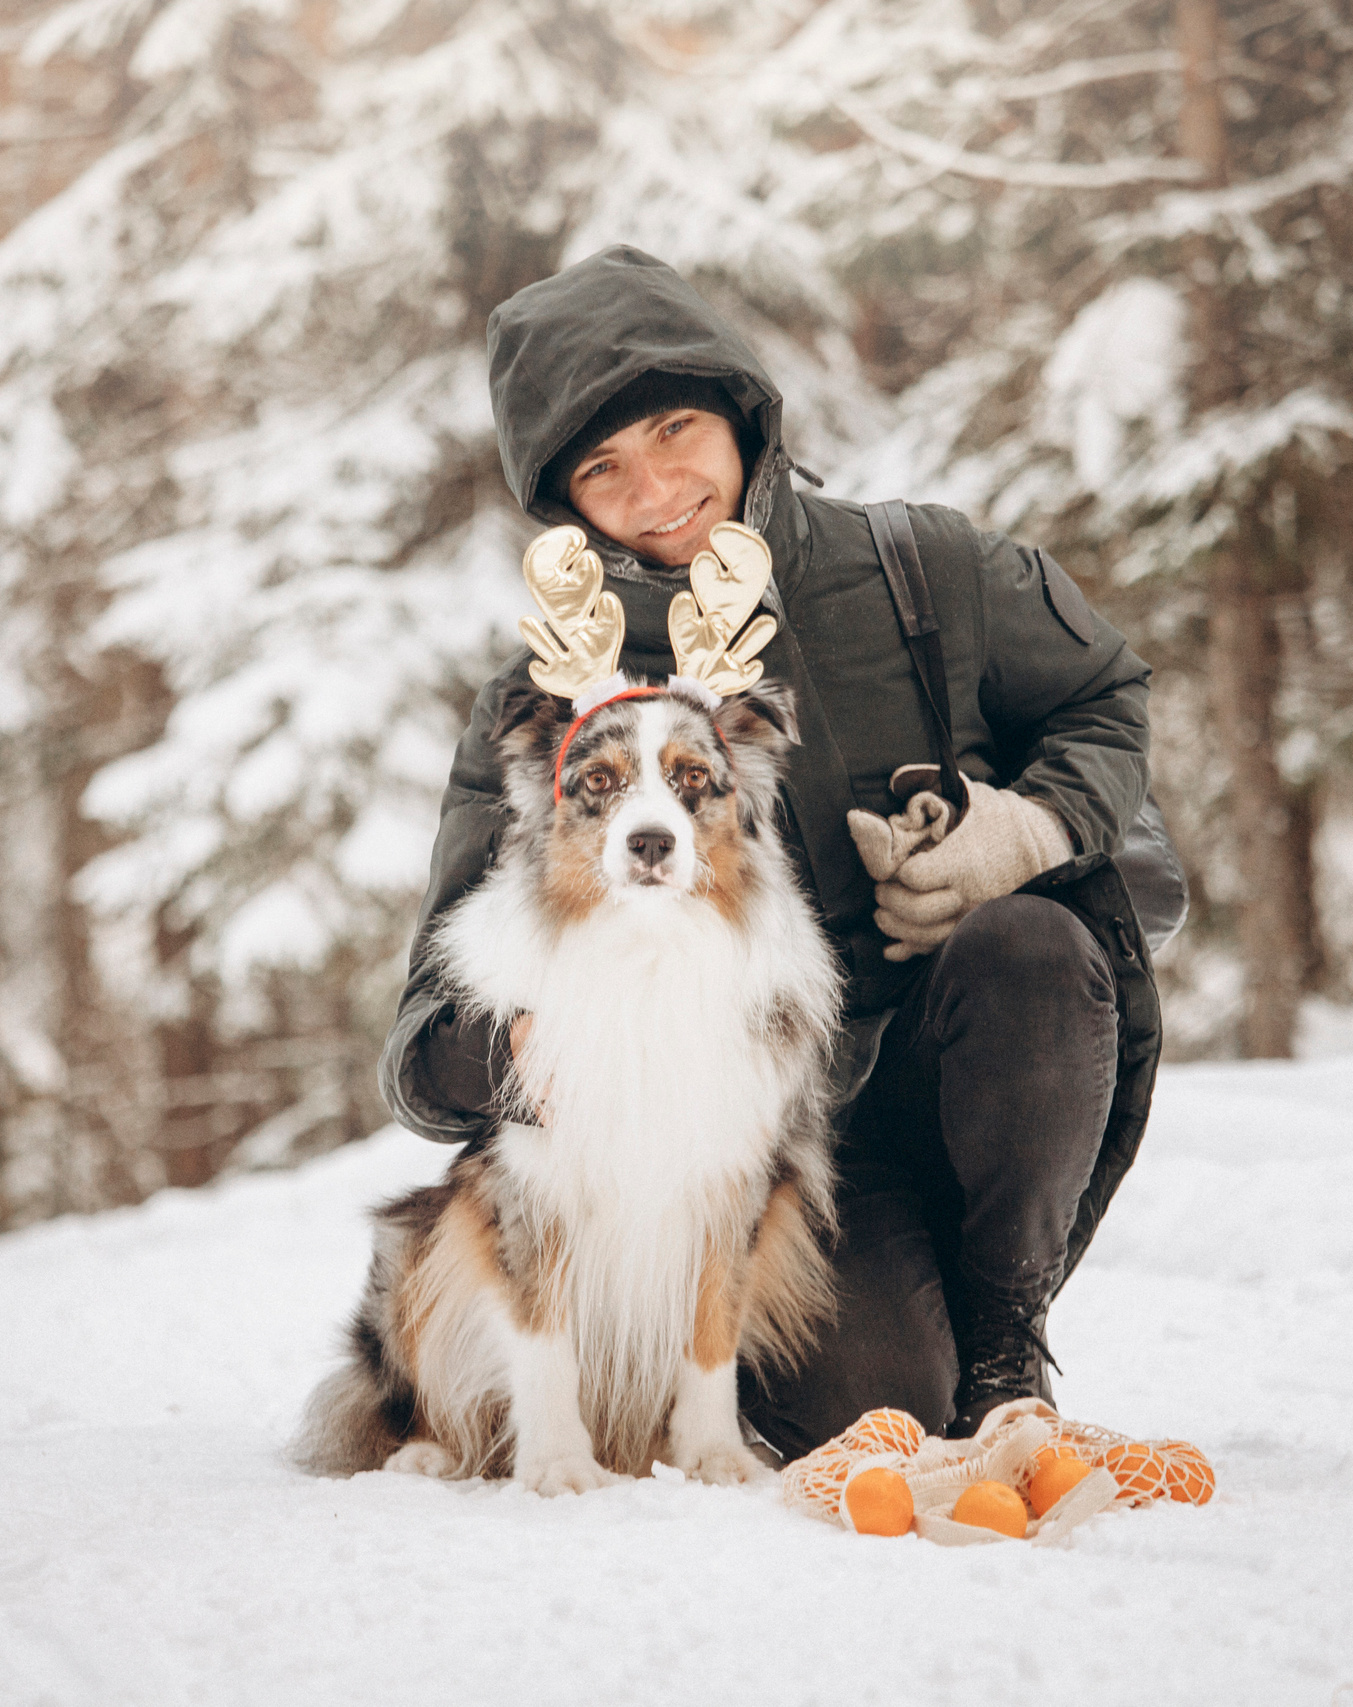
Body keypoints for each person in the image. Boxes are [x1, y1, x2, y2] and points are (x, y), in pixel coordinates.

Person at [381, 245, 1164, 1460]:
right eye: (602, 467)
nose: (655, 490)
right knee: (878, 1412)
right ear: (565, 503)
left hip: (944, 1072)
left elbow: (1104, 694)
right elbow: (422, 1045)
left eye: (676, 430)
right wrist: (509, 1050)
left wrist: (1032, 825)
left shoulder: (924, 572)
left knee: (1032, 946)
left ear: (744, 415)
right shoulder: (550, 706)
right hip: (749, 1163)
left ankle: (1008, 1348)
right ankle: (907, 1351)